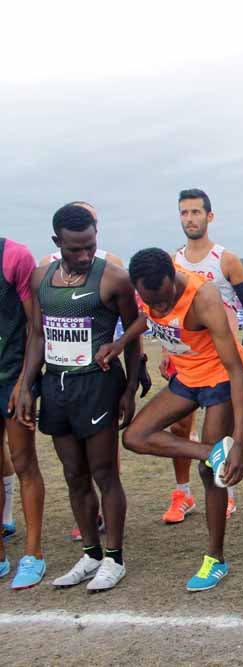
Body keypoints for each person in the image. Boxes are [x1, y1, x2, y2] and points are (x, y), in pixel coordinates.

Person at [16, 204, 143, 592]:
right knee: (74, 474)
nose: (85, 255)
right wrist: (26, 384)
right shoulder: (42, 277)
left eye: (91, 246)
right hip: (57, 386)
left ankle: (114, 558)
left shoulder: (115, 279)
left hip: (98, 385)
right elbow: (38, 335)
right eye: (76, 249)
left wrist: (129, 389)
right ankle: (90, 553)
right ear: (58, 243)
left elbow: (134, 335)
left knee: (104, 472)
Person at [120, 248, 243, 592]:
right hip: (187, 379)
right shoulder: (149, 292)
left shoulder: (202, 297)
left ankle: (215, 560)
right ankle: (209, 451)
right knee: (134, 436)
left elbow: (237, 370)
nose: (160, 308)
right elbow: (147, 319)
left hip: (220, 379)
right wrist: (119, 343)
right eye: (152, 301)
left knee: (212, 476)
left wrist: (240, 442)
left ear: (172, 279)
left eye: (164, 300)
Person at [165, 188, 243, 523]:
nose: (190, 219)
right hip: (185, 357)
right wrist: (166, 349)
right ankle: (183, 493)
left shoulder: (224, 259)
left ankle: (225, 491)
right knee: (179, 427)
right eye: (184, 213)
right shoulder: (174, 262)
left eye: (196, 212)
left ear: (209, 216)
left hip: (220, 360)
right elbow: (169, 311)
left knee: (217, 433)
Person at [0, 237, 46, 586]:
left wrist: (24, 382)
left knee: (24, 462)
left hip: (12, 378)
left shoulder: (14, 256)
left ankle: (33, 554)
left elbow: (35, 326)